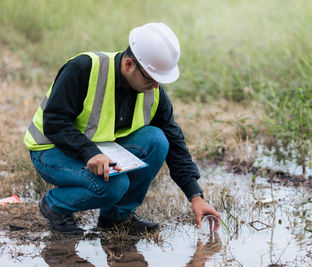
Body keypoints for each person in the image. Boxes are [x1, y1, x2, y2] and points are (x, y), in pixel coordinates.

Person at [24, 22, 220, 234]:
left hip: (100, 148)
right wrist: (90, 153)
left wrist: (195, 197)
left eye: (160, 80)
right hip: (51, 149)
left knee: (158, 139)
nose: (156, 86)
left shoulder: (152, 90)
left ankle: (116, 218)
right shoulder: (84, 68)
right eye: (152, 78)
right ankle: (55, 205)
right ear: (128, 64)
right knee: (114, 186)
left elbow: (174, 141)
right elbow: (54, 121)